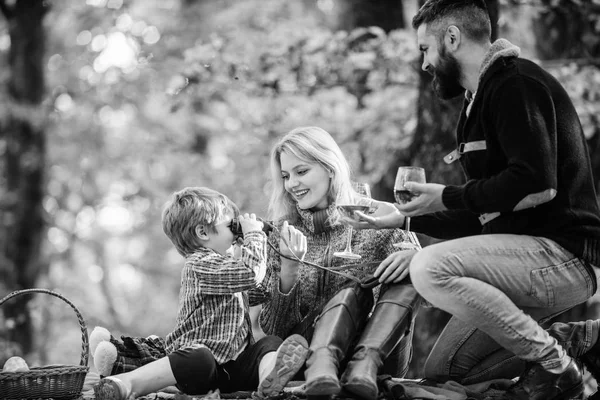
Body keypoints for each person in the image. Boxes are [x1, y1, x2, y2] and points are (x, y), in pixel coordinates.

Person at [344, 1, 600, 399]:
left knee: (428, 266)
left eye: (425, 49)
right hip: (522, 261)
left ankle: (556, 366)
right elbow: (482, 214)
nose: (425, 63)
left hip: (564, 258)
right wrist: (402, 219)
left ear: (452, 38)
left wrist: (445, 196)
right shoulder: (475, 104)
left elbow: (538, 183)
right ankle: (575, 341)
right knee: (447, 370)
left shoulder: (516, 84)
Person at [93, 187, 309, 399]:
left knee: (269, 343)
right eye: (231, 226)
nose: (236, 232)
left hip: (234, 370)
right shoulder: (199, 264)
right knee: (198, 357)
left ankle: (269, 382)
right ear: (203, 232)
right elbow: (250, 274)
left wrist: (283, 260)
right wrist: (253, 235)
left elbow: (261, 291)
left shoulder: (228, 266)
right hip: (200, 369)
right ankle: (127, 383)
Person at [258, 126, 422, 400]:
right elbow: (275, 331)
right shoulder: (279, 233)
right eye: (286, 176)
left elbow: (428, 292)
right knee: (349, 288)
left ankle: (364, 364)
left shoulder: (379, 217)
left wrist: (416, 258)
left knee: (410, 269)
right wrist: (289, 268)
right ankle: (323, 367)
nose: (292, 184)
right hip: (310, 358)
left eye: (301, 172)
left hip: (379, 357)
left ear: (330, 168)